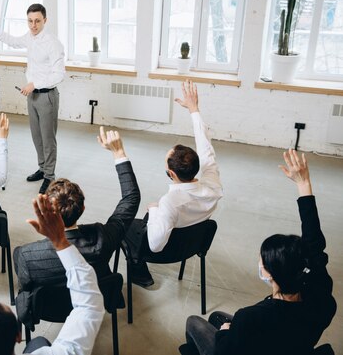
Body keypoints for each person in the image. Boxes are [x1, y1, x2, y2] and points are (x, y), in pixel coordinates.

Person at [180, 149, 337, 355]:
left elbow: (224, 351)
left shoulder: (251, 317)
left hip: (246, 344)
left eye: (262, 261)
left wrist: (225, 333)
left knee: (195, 323)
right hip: (293, 344)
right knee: (217, 317)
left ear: (270, 273)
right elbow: (314, 242)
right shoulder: (321, 294)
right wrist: (303, 184)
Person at [0, 194, 105, 355]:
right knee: (38, 342)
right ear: (19, 337)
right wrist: (60, 240)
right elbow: (89, 305)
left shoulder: (25, 255)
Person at [13, 126, 140, 325]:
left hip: (50, 310)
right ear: (82, 209)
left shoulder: (26, 255)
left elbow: (26, 287)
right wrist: (119, 153)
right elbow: (131, 199)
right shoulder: (103, 237)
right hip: (94, 302)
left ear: (46, 215)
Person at [125, 80, 223, 287]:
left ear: (171, 173)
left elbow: (155, 244)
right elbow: (206, 147)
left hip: (168, 250)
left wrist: (154, 211)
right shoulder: (213, 185)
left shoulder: (170, 202)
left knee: (126, 226)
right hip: (192, 240)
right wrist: (194, 110)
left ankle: (139, 272)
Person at [0, 4, 65, 194]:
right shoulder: (29, 37)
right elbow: (13, 41)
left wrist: (35, 83)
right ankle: (42, 168)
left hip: (47, 96)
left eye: (37, 21)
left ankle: (50, 176)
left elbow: (59, 74)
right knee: (36, 136)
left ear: (45, 20)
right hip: (32, 96)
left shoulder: (53, 43)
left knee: (48, 138)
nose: (33, 25)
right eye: (30, 21)